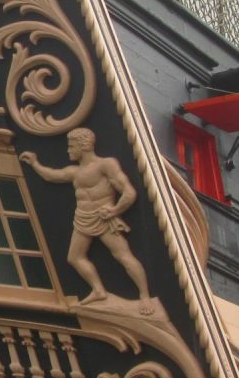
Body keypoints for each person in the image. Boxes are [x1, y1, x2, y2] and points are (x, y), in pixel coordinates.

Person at [21, 127, 151, 306]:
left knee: (123, 256)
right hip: (83, 218)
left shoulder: (106, 164)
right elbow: (52, 176)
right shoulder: (75, 171)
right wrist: (35, 163)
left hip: (103, 218)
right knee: (74, 257)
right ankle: (98, 290)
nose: (68, 150)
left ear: (83, 146)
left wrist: (115, 211)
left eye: (71, 146)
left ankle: (145, 297)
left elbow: (128, 192)